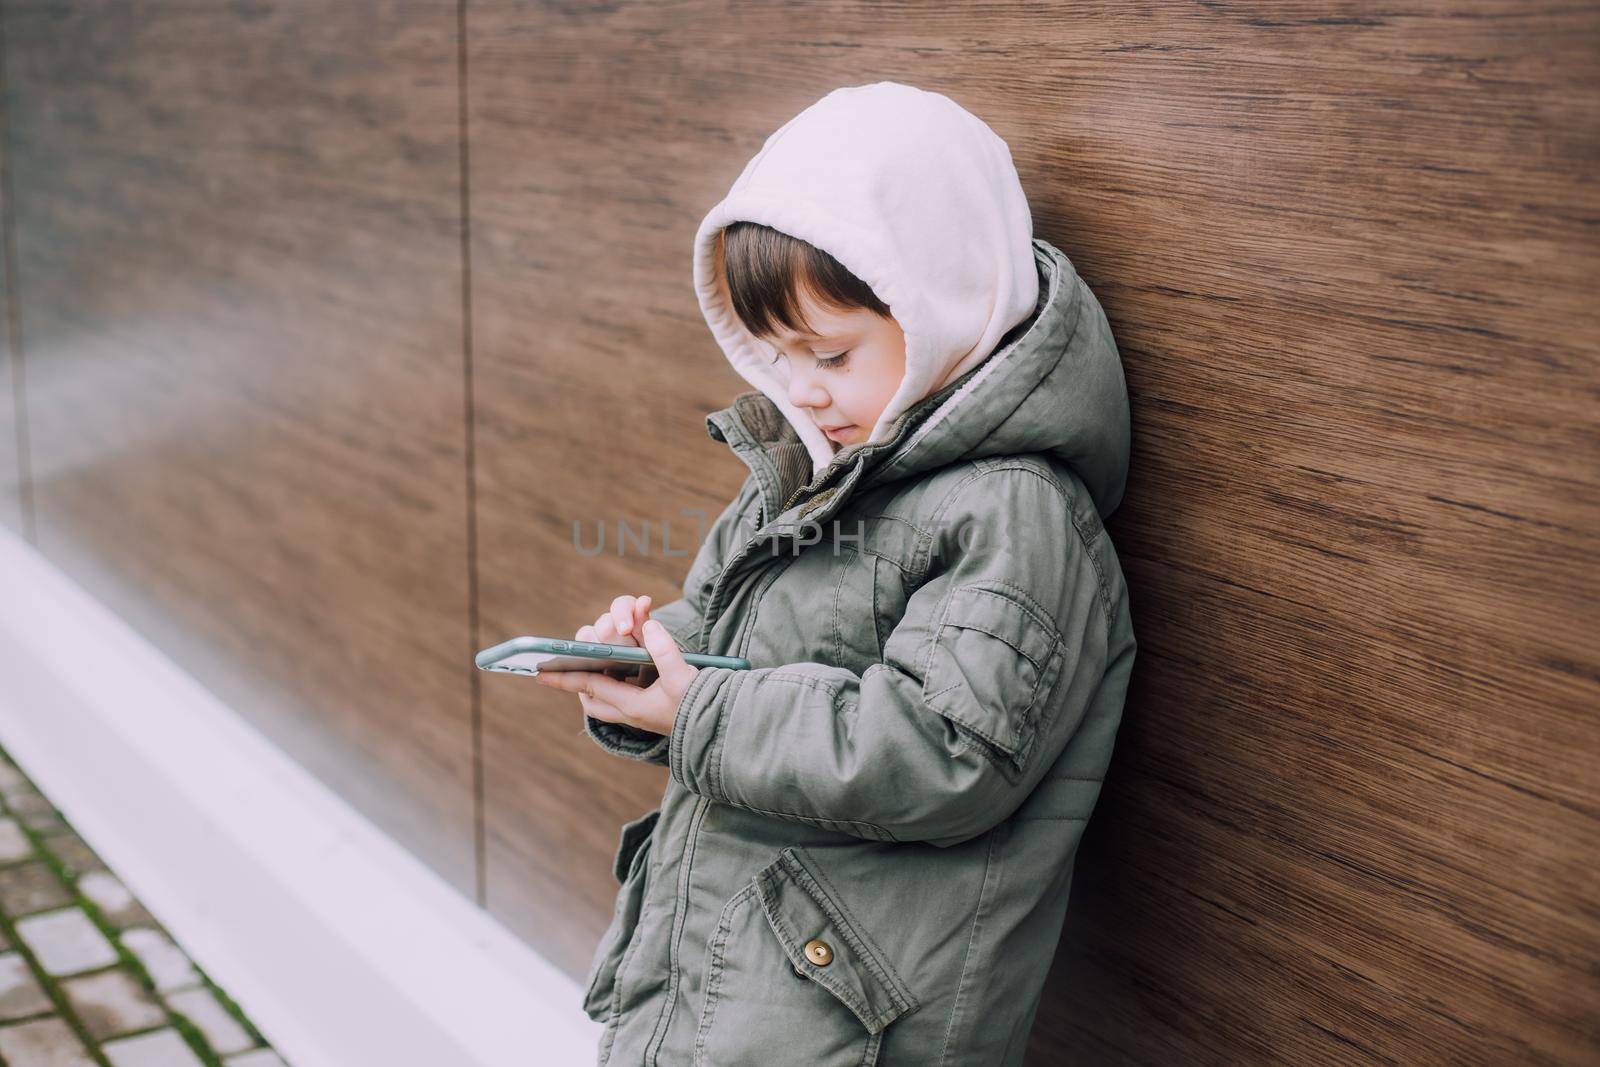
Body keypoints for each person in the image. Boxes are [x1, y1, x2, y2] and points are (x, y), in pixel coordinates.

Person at [535, 80, 1136, 1067]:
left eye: (830, 352)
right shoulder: (813, 464)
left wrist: (700, 716)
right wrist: (650, 665)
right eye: (777, 355)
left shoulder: (1013, 512)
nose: (803, 388)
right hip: (725, 977)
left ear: (940, 304)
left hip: (849, 1015)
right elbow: (734, 642)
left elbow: (948, 752)